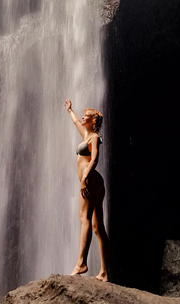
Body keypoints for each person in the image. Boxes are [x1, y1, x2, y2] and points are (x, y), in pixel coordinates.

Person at [64, 99, 110, 282]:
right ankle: (105, 272)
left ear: (93, 121)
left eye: (86, 116)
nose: (82, 117)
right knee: (98, 227)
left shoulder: (94, 138)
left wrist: (83, 179)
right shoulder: (86, 135)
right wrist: (70, 110)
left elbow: (94, 160)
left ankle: (81, 263)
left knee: (84, 219)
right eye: (83, 115)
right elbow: (76, 121)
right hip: (92, 182)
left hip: (91, 181)